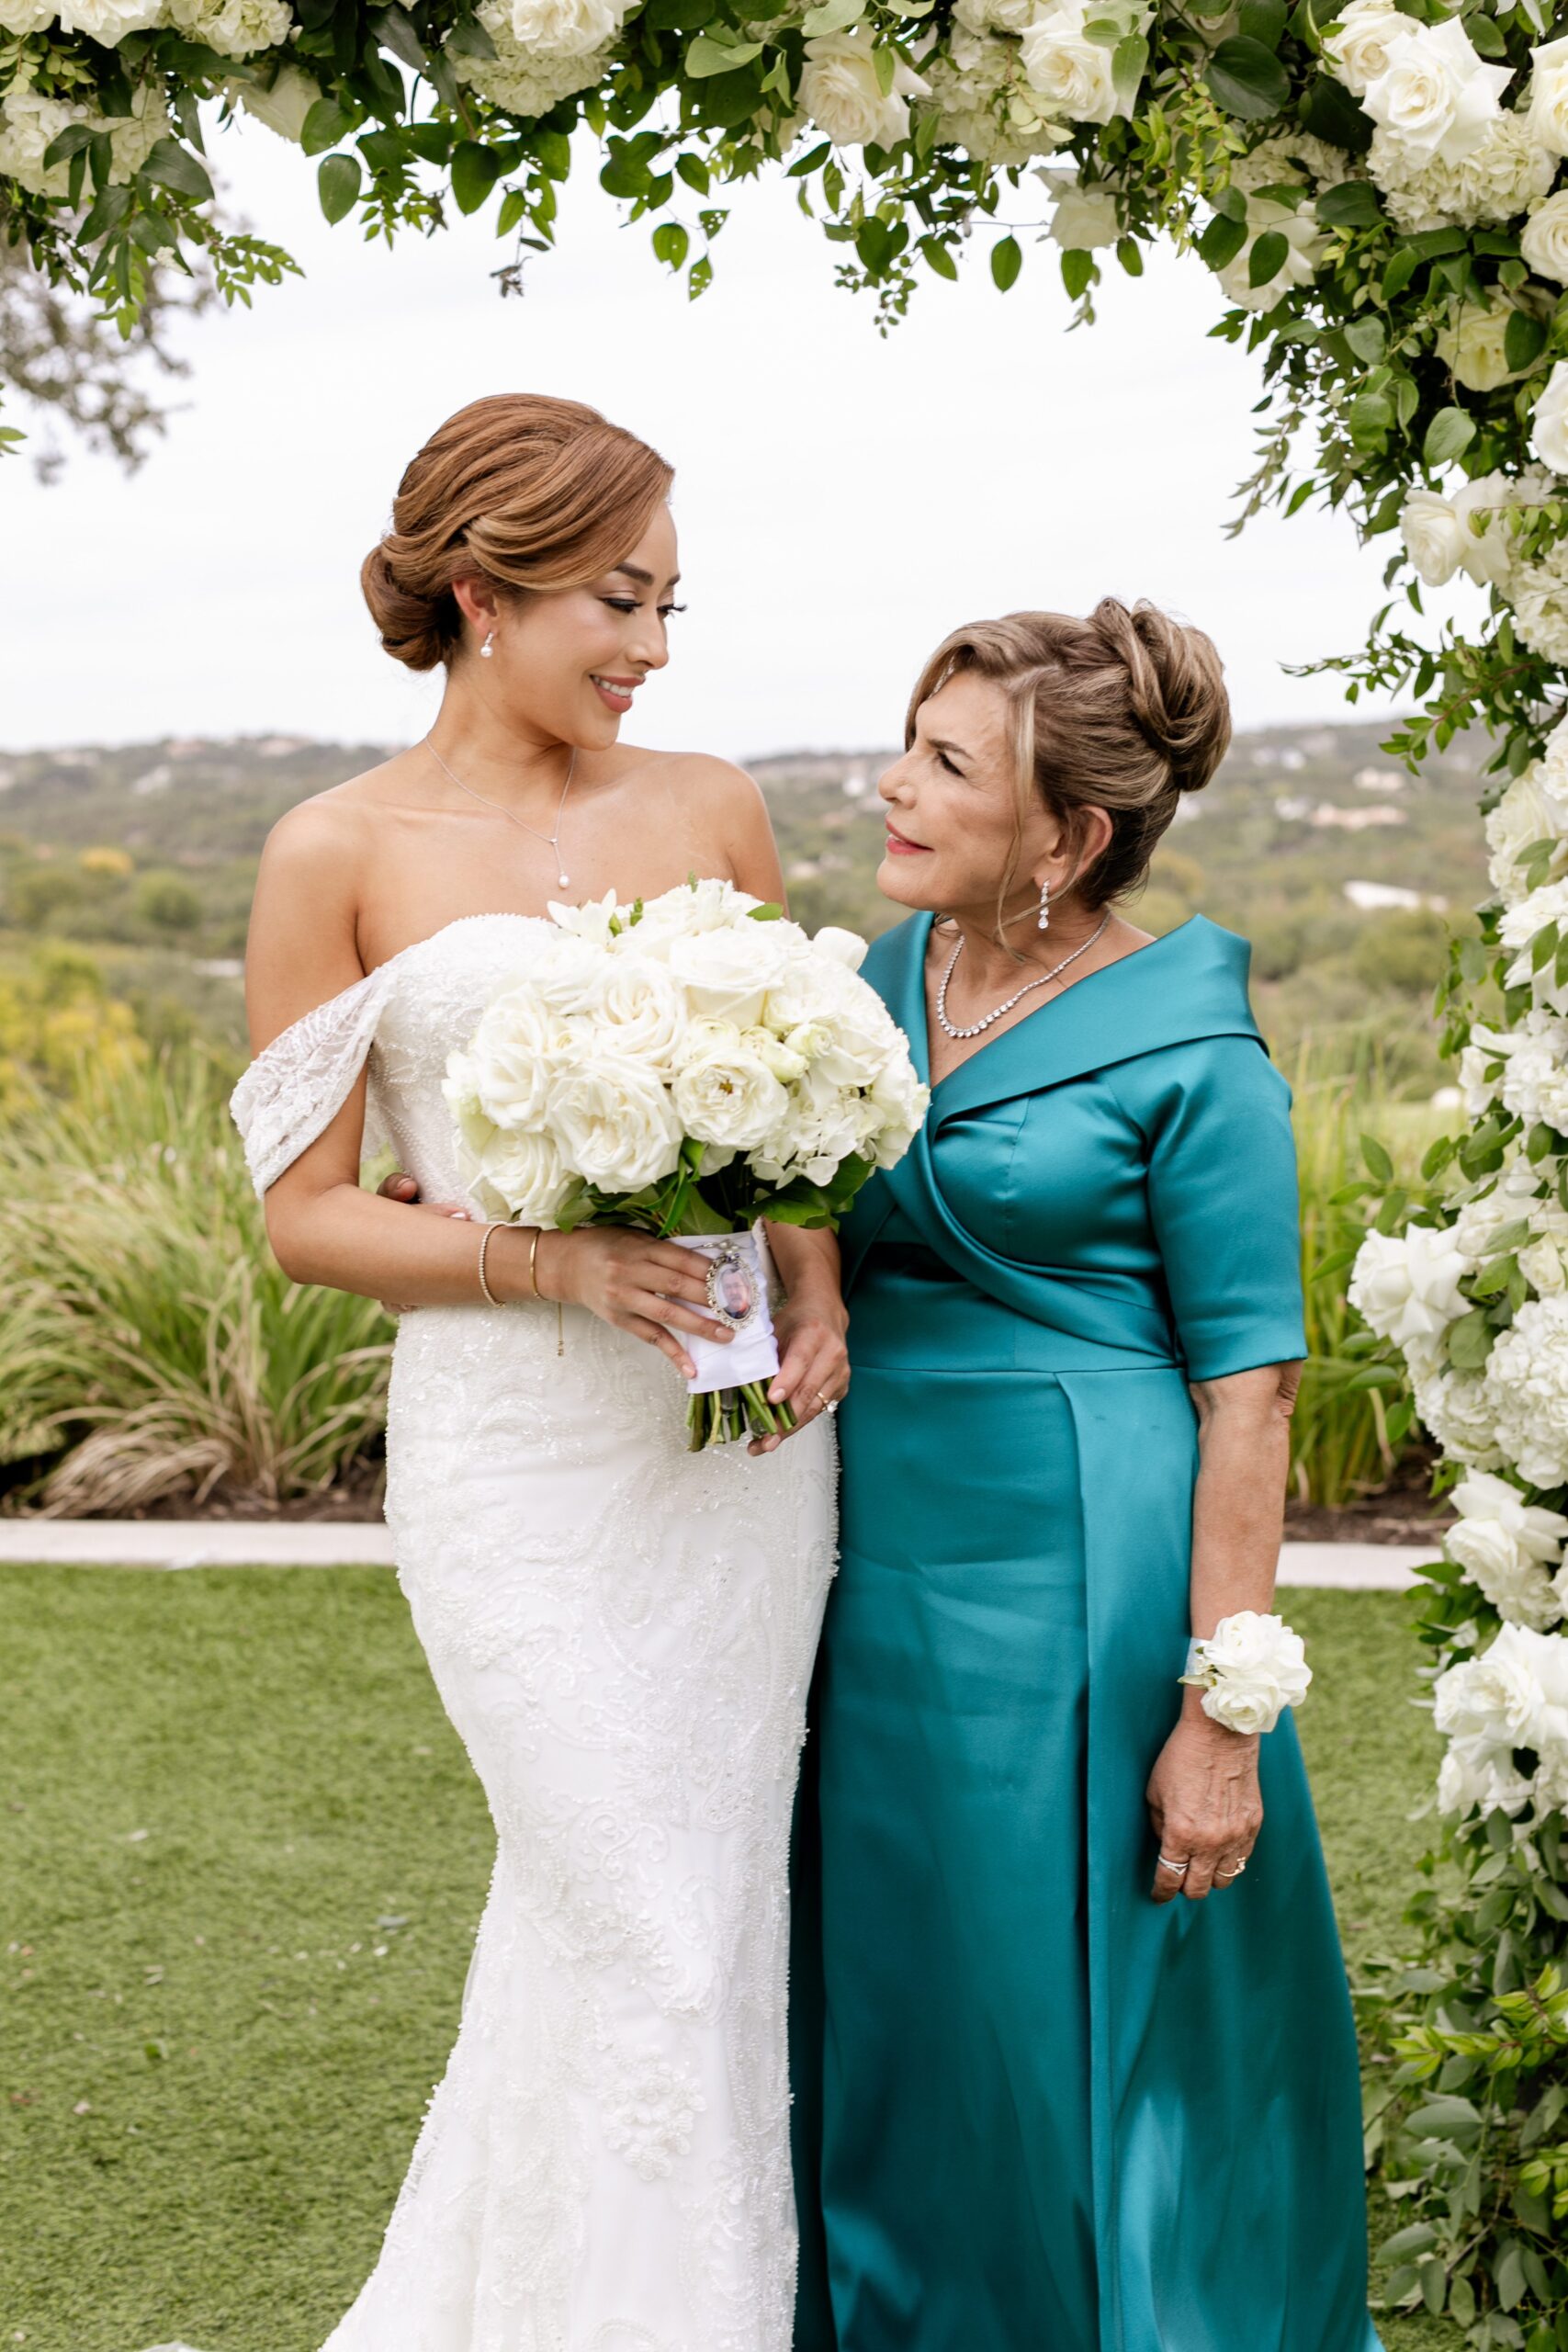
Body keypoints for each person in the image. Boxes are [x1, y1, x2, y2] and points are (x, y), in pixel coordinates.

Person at [229, 393, 848, 2352]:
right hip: (517, 1463)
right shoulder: (330, 851)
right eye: (618, 598)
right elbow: (307, 1214)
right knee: (633, 1924)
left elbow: (801, 1105)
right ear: (484, 587)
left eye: (670, 604)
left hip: (726, 1451)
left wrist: (815, 1285)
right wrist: (551, 1259)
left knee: (687, 1924)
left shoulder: (711, 800)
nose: (652, 648)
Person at [788, 602, 1382, 2352]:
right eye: (909, 737)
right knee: (914, 2006)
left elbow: (1254, 1395)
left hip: (1085, 1578)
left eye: (947, 763)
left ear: (1069, 835)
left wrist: (1220, 1715)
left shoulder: (1196, 1050)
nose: (892, 782)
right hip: (875, 1567)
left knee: (1065, 2024)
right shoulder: (876, 986)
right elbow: (808, 1199)